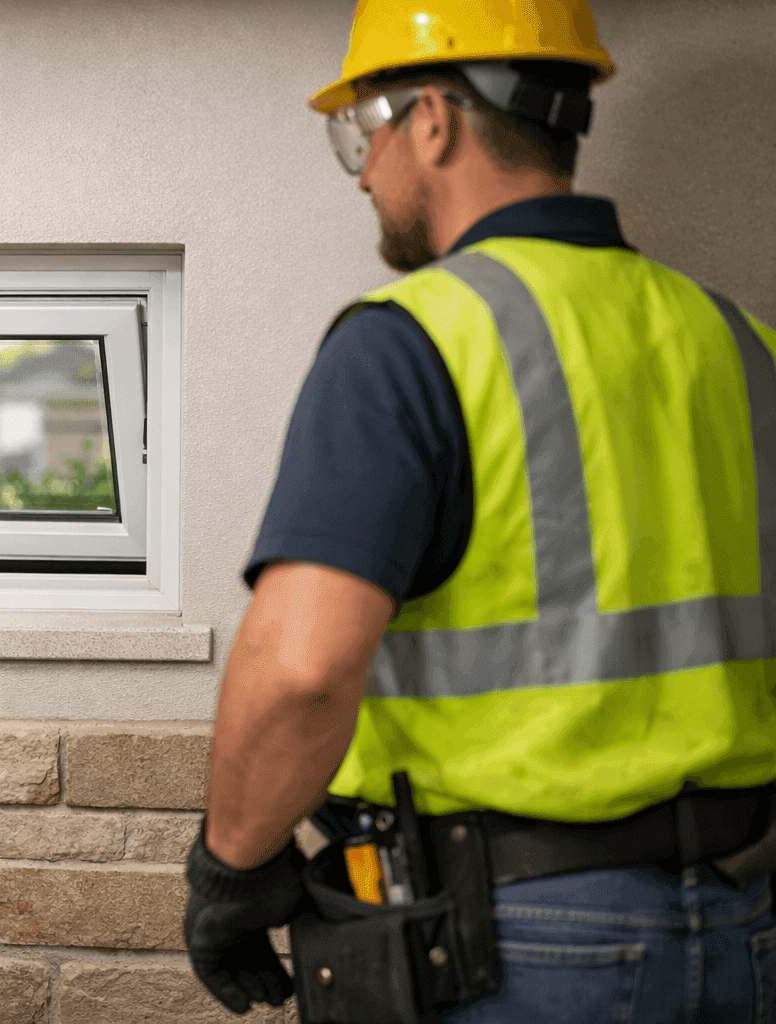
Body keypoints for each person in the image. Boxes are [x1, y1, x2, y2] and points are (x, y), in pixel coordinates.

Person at [183, 1, 776, 1021]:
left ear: (433, 120)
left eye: (361, 132)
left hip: (517, 944)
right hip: (749, 922)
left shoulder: (407, 345)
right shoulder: (740, 341)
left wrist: (230, 872)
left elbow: (301, 671)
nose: (364, 172)